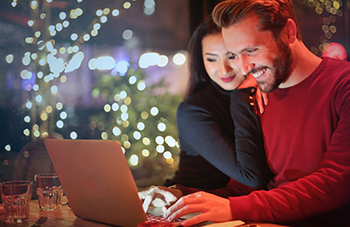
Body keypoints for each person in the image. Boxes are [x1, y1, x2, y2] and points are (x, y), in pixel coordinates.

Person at [142, 1, 350, 226]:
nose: (243, 69)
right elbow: (246, 188)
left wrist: (234, 207)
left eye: (250, 50)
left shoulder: (342, 85)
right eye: (234, 54)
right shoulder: (261, 91)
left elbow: (338, 180)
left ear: (289, 32)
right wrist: (182, 200)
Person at [162, 16, 271, 194]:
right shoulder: (193, 111)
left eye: (231, 56)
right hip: (188, 205)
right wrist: (241, 95)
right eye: (211, 59)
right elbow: (252, 177)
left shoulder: (262, 92)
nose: (224, 69)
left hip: (229, 208)